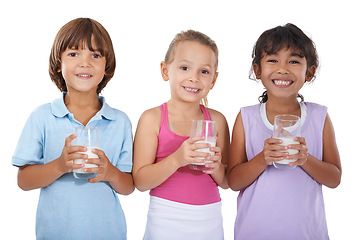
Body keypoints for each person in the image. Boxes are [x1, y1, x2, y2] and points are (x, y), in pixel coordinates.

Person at [12, 18, 134, 240]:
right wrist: (60, 165)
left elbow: (128, 186)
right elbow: (23, 181)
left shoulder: (120, 121)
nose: (85, 63)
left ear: (106, 67)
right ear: (59, 63)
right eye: (74, 53)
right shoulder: (42, 117)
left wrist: (110, 172)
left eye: (95, 55)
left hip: (108, 233)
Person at [227, 23, 342, 240]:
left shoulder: (319, 117)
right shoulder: (246, 118)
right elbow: (233, 181)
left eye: (294, 61)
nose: (282, 69)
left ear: (310, 72)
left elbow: (334, 178)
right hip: (254, 234)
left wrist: (305, 159)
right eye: (272, 60)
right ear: (257, 70)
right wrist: (262, 159)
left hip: (307, 234)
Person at [133, 30, 230, 240]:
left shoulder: (218, 121)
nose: (193, 78)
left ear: (213, 80)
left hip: (208, 217)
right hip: (166, 217)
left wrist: (215, 167)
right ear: (165, 70)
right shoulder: (152, 118)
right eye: (184, 68)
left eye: (204, 71)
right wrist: (178, 159)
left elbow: (226, 181)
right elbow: (140, 181)